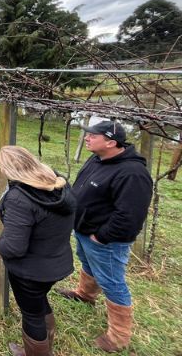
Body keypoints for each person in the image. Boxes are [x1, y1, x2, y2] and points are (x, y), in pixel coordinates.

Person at [56, 121, 152, 353]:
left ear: (110, 142)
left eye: (92, 135)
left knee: (112, 281)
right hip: (83, 230)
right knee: (88, 264)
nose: (87, 138)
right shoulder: (97, 159)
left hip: (104, 240)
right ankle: (85, 295)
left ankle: (118, 337)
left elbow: (130, 216)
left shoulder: (133, 174)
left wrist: (102, 236)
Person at [0, 146, 75, 356]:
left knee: (31, 315)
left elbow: (14, 246)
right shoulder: (57, 184)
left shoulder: (20, 198)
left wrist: (0, 245)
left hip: (30, 271)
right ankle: (45, 343)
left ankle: (36, 352)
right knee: (39, 300)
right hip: (54, 262)